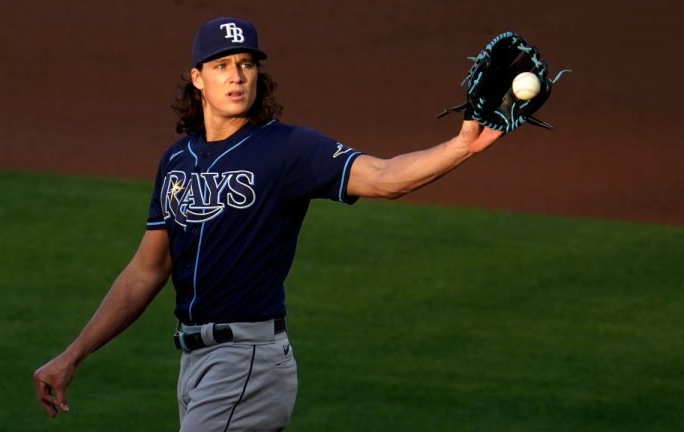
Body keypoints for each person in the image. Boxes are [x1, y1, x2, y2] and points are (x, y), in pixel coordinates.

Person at [33, 16, 502, 431]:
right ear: (197, 78)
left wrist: (459, 147)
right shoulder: (177, 161)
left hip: (247, 360)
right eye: (221, 65)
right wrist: (73, 354)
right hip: (196, 365)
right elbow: (146, 270)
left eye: (246, 63)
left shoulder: (287, 150)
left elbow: (383, 176)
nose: (237, 76)